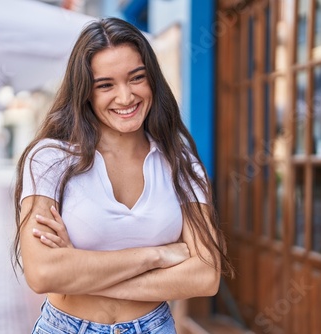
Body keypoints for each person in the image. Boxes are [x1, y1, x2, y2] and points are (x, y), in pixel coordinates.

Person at [13, 17, 234, 334]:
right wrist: (157, 255)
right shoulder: (50, 159)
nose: (126, 97)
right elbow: (43, 273)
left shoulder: (182, 163)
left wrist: (79, 271)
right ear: (86, 92)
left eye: (136, 78)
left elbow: (205, 275)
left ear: (152, 81)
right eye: (106, 85)